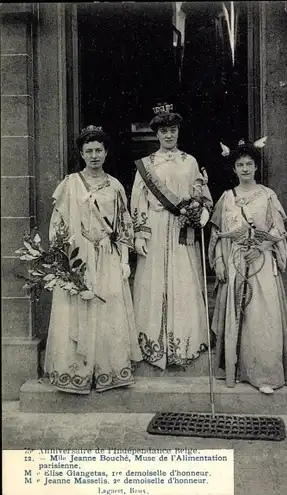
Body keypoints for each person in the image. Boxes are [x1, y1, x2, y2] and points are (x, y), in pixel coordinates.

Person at [44, 125, 142, 394]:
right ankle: (76, 373)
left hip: (108, 258)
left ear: (106, 152)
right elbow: (57, 223)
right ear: (81, 153)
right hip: (78, 259)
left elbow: (124, 227)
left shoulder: (115, 186)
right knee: (77, 311)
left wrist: (124, 260)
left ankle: (108, 371)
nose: (94, 155)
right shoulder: (70, 184)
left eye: (99, 150)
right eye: (89, 151)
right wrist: (61, 260)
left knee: (107, 310)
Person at [208, 138, 287, 394]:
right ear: (234, 169)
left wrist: (261, 247)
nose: (245, 169)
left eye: (250, 164)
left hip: (261, 263)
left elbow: (278, 230)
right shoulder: (227, 198)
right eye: (240, 165)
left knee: (263, 317)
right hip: (236, 262)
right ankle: (238, 371)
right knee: (239, 316)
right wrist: (219, 262)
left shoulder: (268, 195)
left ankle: (265, 376)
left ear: (256, 167)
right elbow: (217, 234)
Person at [131, 104, 213, 370]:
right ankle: (153, 347)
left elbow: (201, 193)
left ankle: (184, 344)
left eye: (173, 130)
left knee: (183, 281)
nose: (168, 135)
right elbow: (138, 200)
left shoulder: (190, 162)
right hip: (154, 228)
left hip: (181, 230)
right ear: (157, 134)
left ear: (178, 132)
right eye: (164, 131)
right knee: (153, 282)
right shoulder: (147, 164)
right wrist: (140, 233)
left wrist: (199, 211)